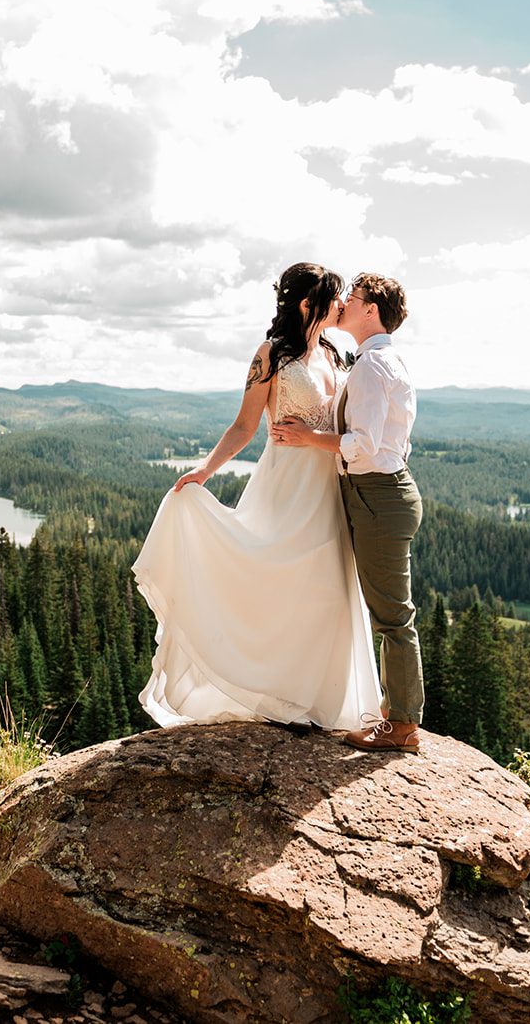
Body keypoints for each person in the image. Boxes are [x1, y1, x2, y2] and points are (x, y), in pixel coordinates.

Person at [132, 263, 382, 731]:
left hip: (329, 486)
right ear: (308, 304)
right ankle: (277, 698)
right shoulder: (271, 356)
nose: (341, 304)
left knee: (327, 592)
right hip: (286, 485)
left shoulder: (333, 353)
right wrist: (206, 470)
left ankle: (316, 702)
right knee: (279, 587)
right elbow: (246, 425)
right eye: (333, 297)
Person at [270, 272, 423, 753]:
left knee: (393, 616)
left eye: (353, 298)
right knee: (387, 609)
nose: (344, 303)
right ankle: (395, 713)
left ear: (370, 310)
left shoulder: (374, 366)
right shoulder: (375, 360)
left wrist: (308, 438)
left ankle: (401, 725)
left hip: (378, 495)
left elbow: (365, 444)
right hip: (375, 493)